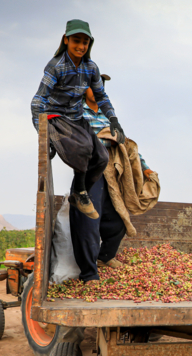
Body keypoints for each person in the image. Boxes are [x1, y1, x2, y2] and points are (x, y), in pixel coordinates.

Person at [31, 19, 126, 222]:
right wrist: (42, 134)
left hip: (76, 118)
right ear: (66, 40)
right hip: (55, 117)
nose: (81, 46)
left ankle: (78, 193)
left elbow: (101, 97)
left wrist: (114, 119)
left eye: (85, 42)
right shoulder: (55, 66)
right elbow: (38, 100)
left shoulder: (91, 68)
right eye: (76, 40)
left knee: (101, 157)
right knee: (83, 148)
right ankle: (81, 193)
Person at [79, 88, 154, 272]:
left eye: (99, 87)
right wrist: (102, 139)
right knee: (91, 219)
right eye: (92, 86)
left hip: (111, 171)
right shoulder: (79, 111)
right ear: (84, 89)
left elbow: (125, 143)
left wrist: (144, 167)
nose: (96, 90)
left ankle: (105, 257)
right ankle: (87, 269)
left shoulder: (108, 115)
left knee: (119, 218)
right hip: (91, 168)